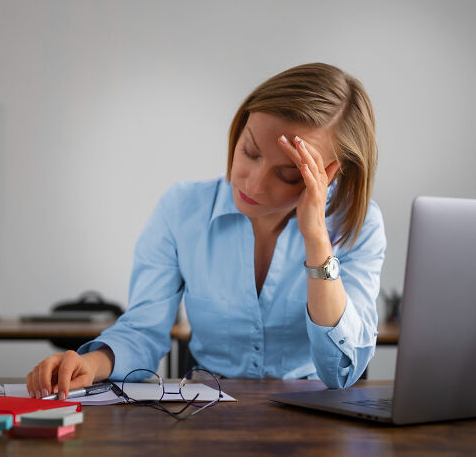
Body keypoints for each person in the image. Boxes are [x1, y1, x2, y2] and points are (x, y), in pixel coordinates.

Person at [27, 62, 386, 400]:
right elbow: (143, 329)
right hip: (207, 413)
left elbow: (341, 371)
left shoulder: (359, 224)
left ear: (330, 173)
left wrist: (317, 240)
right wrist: (89, 364)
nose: (253, 183)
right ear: (240, 128)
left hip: (314, 425)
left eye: (289, 174)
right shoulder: (182, 209)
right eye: (250, 151)